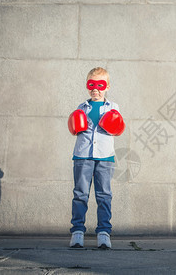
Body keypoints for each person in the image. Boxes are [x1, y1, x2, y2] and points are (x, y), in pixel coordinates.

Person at [68, 67, 123, 249]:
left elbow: (117, 130)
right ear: (87, 85)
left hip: (105, 157)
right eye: (92, 84)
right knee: (80, 194)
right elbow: (76, 130)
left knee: (104, 195)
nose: (96, 89)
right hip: (82, 155)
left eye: (100, 85)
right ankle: (77, 232)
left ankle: (104, 233)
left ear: (107, 86)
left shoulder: (113, 107)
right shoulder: (81, 107)